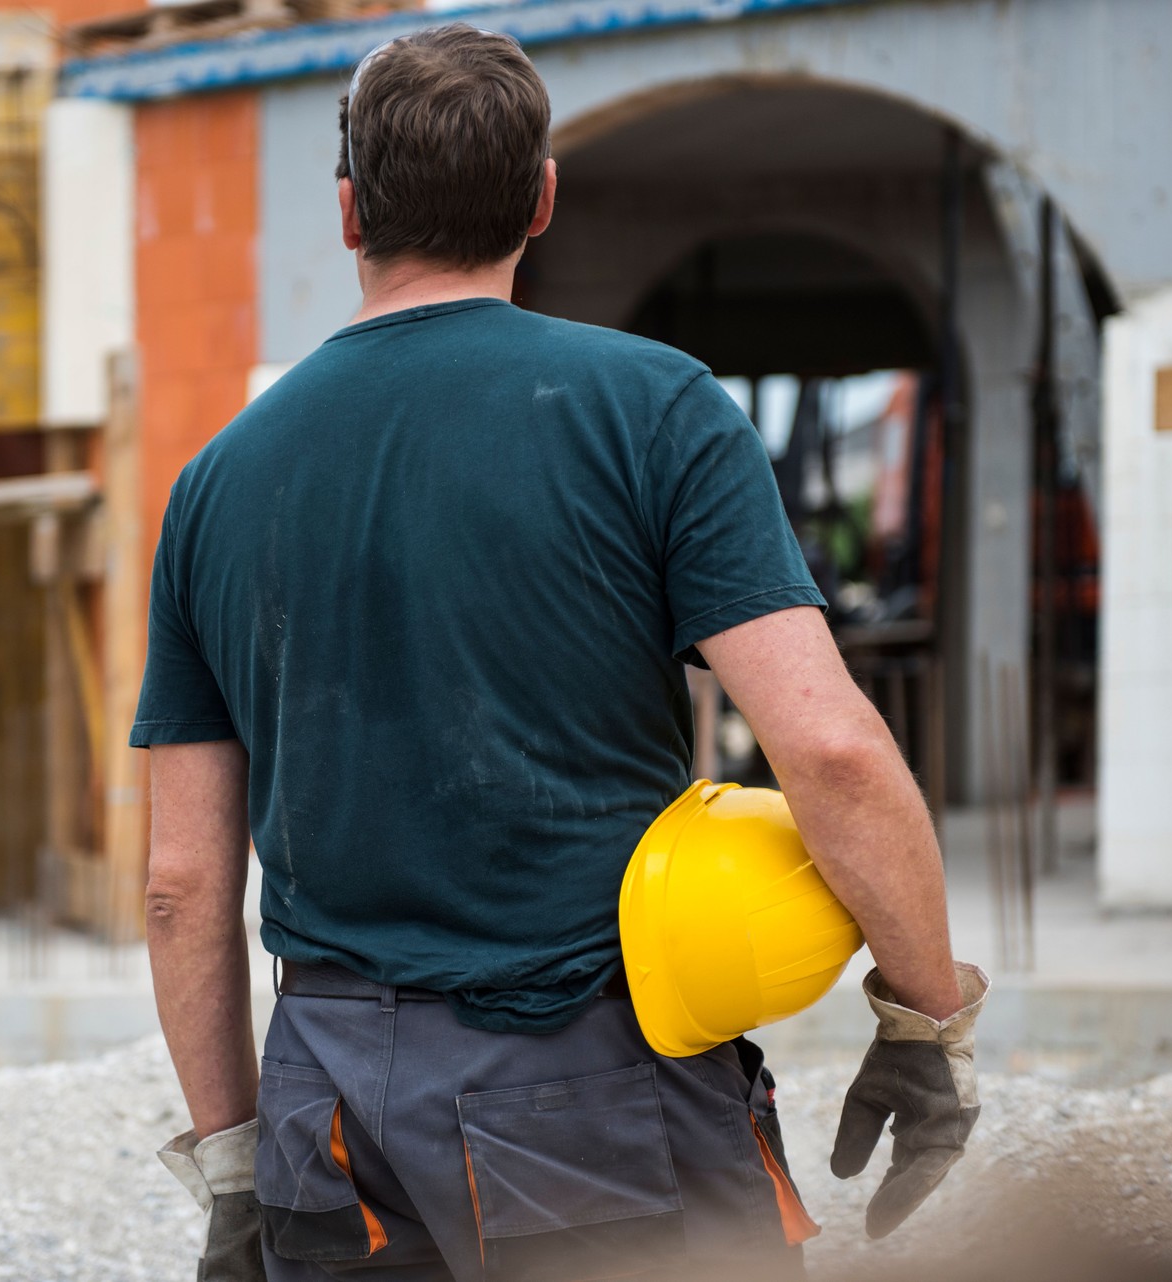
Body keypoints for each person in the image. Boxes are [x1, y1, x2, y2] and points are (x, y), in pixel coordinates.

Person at [137, 24, 987, 1282]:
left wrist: (228, 1163)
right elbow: (831, 748)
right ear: (540, 199)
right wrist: (926, 1019)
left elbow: (183, 884)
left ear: (348, 212)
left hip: (327, 1117)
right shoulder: (656, 411)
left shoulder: (214, 485)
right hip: (592, 1095)